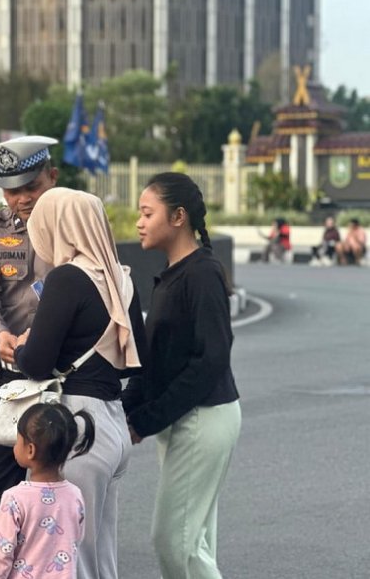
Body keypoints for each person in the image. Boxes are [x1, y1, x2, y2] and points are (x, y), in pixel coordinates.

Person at [13, 187, 148, 579]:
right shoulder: (122, 281)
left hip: (76, 426)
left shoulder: (67, 278)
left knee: (66, 554)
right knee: (100, 553)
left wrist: (19, 348)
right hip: (112, 423)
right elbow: (132, 364)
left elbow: (36, 363)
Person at [124, 172, 241, 579]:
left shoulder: (202, 273)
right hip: (182, 420)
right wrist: (129, 412)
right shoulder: (173, 275)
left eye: (146, 212)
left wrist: (145, 419)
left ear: (178, 217)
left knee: (173, 542)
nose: (138, 222)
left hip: (203, 417)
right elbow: (154, 361)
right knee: (194, 542)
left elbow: (210, 362)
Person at [0, 136, 59, 579]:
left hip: (62, 378)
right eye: (11, 190)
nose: (21, 199)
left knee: (58, 489)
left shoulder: (72, 226)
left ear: (52, 179)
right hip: (5, 379)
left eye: (31, 187)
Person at [0, 403, 95, 579]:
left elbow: (1, 555)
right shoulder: (74, 495)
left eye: (18, 439)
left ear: (30, 450)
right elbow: (75, 540)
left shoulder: (14, 499)